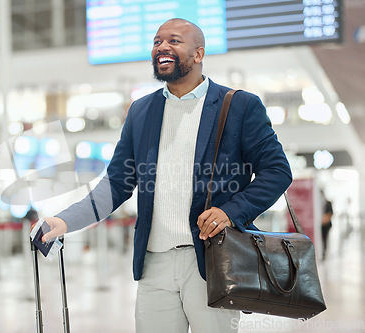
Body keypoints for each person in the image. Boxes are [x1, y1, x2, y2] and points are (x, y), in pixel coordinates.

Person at [38, 18, 292, 333]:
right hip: (154, 265)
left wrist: (230, 211)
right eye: (158, 41)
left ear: (198, 54)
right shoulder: (141, 111)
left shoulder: (239, 106)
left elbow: (277, 172)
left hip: (212, 261)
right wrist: (64, 221)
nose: (162, 47)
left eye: (174, 40)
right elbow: (117, 183)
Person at [321, 190, 333, 260]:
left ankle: (324, 253)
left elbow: (331, 213)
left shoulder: (328, 203)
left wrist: (325, 219)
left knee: (325, 239)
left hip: (326, 224)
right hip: (319, 224)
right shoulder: (317, 203)